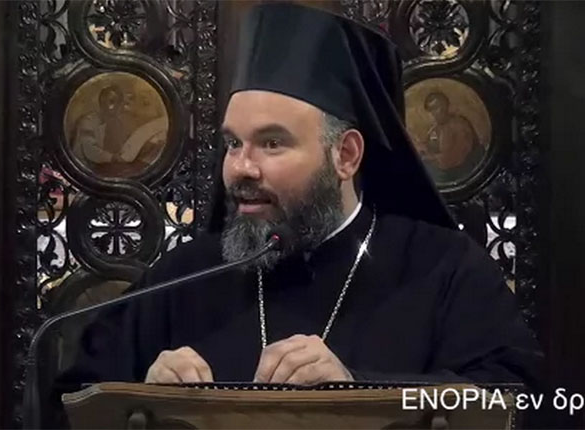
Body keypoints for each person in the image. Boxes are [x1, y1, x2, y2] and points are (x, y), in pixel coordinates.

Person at [56, 0, 541, 411]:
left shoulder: (446, 271)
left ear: (345, 155)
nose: (241, 168)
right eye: (233, 143)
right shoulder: (185, 277)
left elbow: (523, 402)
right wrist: (141, 399)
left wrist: (362, 394)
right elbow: (73, 399)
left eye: (271, 143)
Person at [420, 91, 486, 183]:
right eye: (431, 110)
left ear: (446, 106)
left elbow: (457, 155)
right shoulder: (435, 128)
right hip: (446, 168)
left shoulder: (460, 124)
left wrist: (433, 158)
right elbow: (429, 146)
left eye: (436, 107)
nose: (434, 113)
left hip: (462, 171)